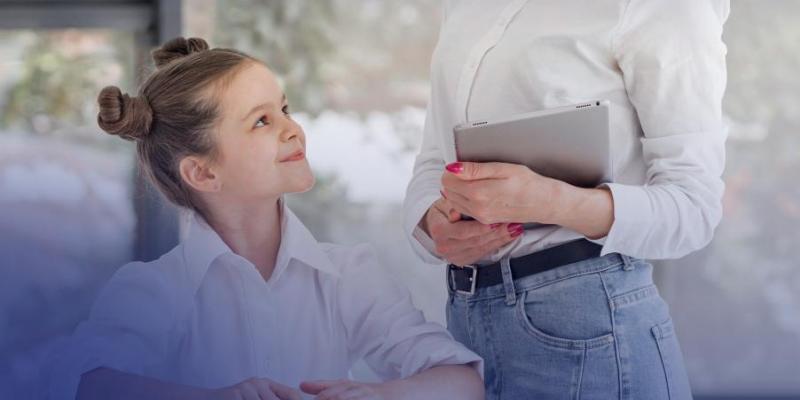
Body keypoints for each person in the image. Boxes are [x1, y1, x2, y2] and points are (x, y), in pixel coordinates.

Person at [44, 37, 484, 400]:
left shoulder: (349, 276)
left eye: (284, 110)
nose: (293, 129)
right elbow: (92, 385)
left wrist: (380, 395)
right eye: (261, 121)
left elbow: (461, 382)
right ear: (203, 173)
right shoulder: (152, 290)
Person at [403, 1, 730, 399]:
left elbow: (694, 207)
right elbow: (435, 158)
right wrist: (432, 225)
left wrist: (550, 201)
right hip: (465, 326)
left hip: (590, 324)